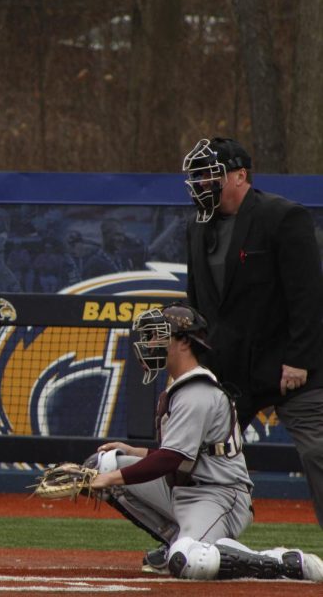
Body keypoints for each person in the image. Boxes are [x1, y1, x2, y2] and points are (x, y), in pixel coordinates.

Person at [84, 303, 323, 582]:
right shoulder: (180, 386)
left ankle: (285, 563)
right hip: (185, 487)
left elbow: (171, 459)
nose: (149, 343)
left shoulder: (197, 392)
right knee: (102, 464)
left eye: (158, 335)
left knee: (189, 561)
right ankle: (178, 540)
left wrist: (112, 479)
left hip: (218, 494)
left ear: (184, 342)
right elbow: (181, 454)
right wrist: (128, 454)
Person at [182, 137, 323, 528]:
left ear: (239, 175)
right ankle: (187, 538)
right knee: (193, 455)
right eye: (196, 176)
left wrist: (299, 359)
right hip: (228, 371)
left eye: (208, 175)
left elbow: (307, 297)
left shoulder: (283, 217)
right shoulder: (196, 227)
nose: (199, 184)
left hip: (288, 367)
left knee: (318, 451)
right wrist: (197, 365)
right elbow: (198, 304)